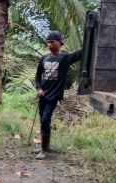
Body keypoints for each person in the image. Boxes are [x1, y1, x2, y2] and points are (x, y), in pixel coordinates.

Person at [34, 31, 83, 159]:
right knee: (42, 120)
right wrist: (39, 88)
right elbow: (38, 75)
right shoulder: (44, 58)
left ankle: (44, 151)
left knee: (45, 120)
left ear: (60, 43)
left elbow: (81, 52)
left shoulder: (65, 58)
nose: (49, 44)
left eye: (52, 42)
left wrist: (92, 39)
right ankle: (45, 147)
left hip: (54, 95)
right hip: (42, 94)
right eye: (48, 42)